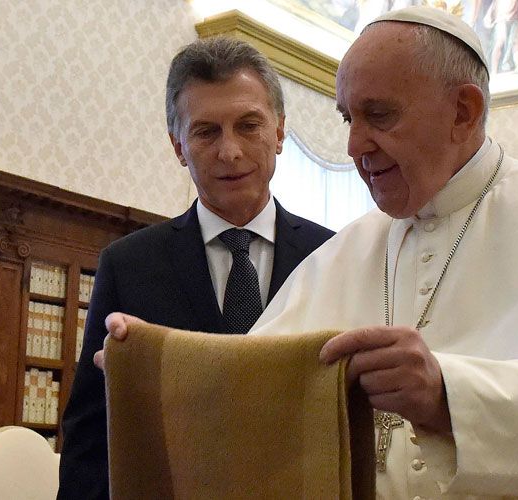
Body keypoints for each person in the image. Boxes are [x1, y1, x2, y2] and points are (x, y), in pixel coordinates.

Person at [99, 6, 518, 498]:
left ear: (463, 112)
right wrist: (157, 371)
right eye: (348, 118)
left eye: (379, 115)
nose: (353, 146)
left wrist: (450, 395)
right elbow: (256, 398)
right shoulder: (340, 256)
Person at [57, 37, 334, 499]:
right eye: (206, 132)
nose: (230, 151)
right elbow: (90, 436)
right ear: (178, 145)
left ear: (280, 131)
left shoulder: (330, 257)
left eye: (248, 126)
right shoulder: (129, 266)